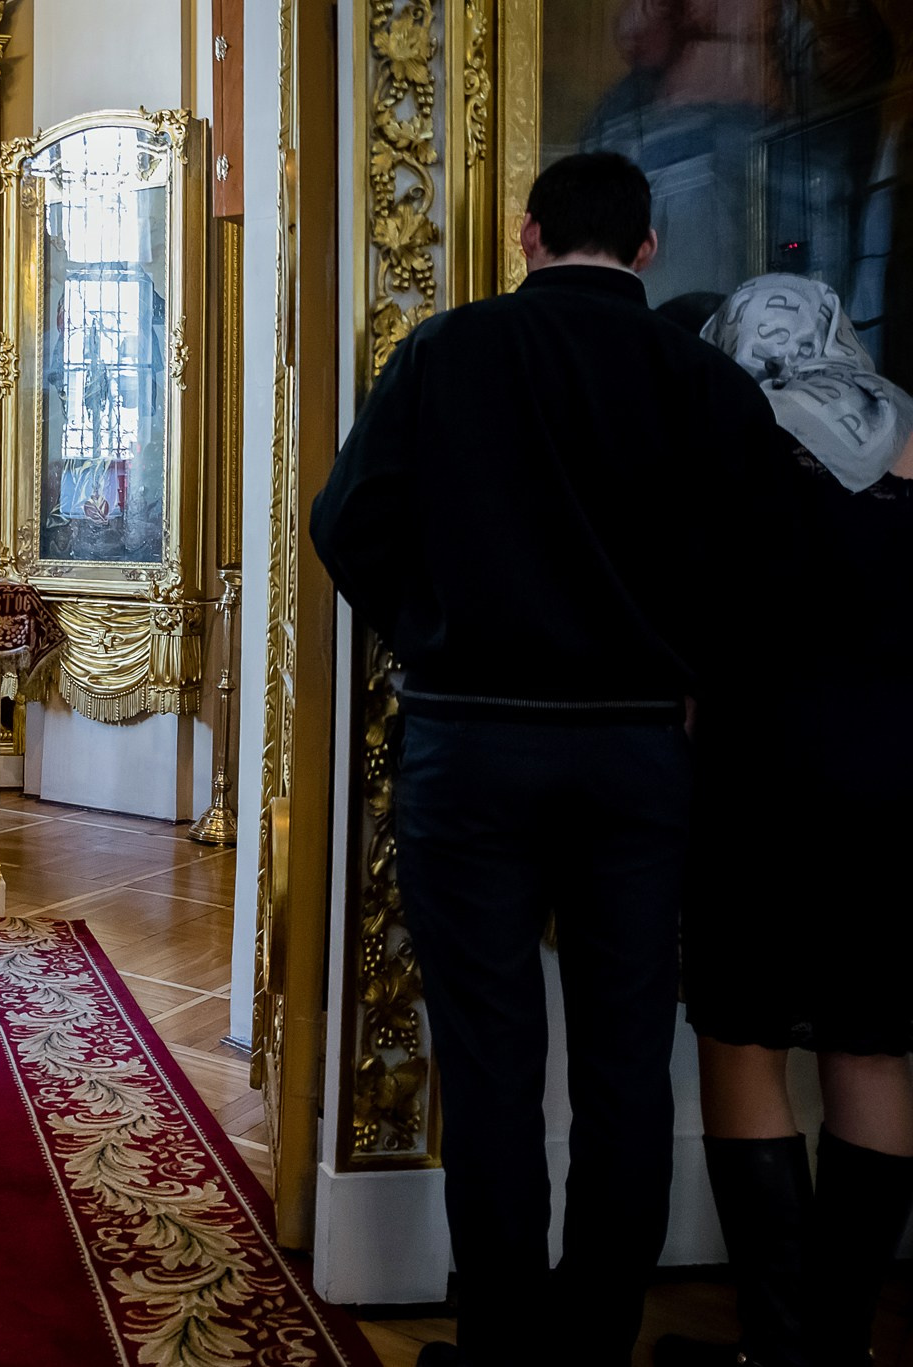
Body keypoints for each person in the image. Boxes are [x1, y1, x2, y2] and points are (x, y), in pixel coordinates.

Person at [309, 152, 799, 1367]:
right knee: (624, 1066)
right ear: (644, 248)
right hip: (634, 752)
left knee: (489, 1063)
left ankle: (501, 1346)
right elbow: (765, 571)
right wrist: (687, 669)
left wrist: (432, 628)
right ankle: (592, 1343)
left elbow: (346, 521)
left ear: (525, 234)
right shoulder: (702, 379)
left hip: (469, 742)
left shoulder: (445, 350)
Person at [655, 275, 913, 1367]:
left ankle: (776, 1347)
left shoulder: (730, 446)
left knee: (744, 1039)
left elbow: (687, 635)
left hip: (758, 773)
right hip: (897, 782)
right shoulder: (907, 435)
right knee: (873, 1047)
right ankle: (837, 1350)